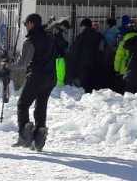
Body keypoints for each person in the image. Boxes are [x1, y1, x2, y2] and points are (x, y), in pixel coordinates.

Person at [9, 14, 57, 151]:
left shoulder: (30, 41)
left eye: (26, 24)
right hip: (51, 77)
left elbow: (22, 64)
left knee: (22, 104)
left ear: (31, 24)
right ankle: (39, 137)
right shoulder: (49, 37)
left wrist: (8, 66)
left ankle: (25, 136)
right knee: (41, 105)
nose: (25, 27)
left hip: (37, 77)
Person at [66, 18, 105, 93]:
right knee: (94, 91)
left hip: (83, 67)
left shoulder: (81, 37)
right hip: (96, 66)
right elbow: (102, 50)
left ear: (83, 26)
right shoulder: (99, 36)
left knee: (84, 89)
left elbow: (74, 52)